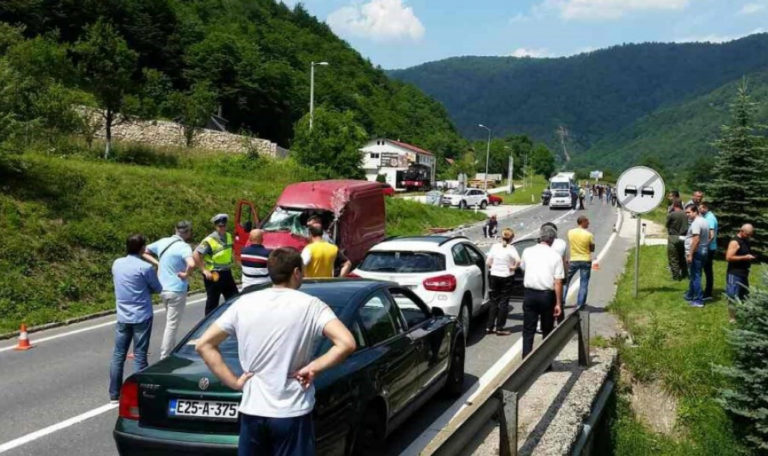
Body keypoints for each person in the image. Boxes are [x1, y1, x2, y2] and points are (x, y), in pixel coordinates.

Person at [196, 247, 356, 456]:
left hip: (252, 410)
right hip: (292, 409)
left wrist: (234, 382)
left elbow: (204, 345)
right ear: (297, 272)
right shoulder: (312, 306)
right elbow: (346, 343)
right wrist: (314, 367)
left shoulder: (243, 303)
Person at [109, 234, 162, 402]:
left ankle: (114, 393)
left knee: (118, 355)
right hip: (142, 315)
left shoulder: (117, 263)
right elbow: (157, 288)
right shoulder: (145, 268)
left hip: (123, 315)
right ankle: (140, 395)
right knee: (140, 355)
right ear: (141, 249)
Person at [143, 221, 195, 360]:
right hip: (177, 289)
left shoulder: (163, 242)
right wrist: (186, 274)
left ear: (175, 229)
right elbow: (191, 263)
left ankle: (170, 349)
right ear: (188, 232)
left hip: (162, 288)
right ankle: (165, 356)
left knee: (170, 321)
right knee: (172, 325)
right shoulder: (184, 247)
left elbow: (144, 251)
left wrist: (157, 263)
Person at [520, 226, 564, 358]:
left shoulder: (527, 251)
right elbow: (558, 282)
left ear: (540, 237)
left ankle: (526, 358)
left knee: (528, 329)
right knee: (547, 329)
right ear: (552, 240)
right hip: (547, 296)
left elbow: (523, 268)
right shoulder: (555, 256)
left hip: (529, 294)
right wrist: (558, 303)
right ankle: (545, 361)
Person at [194, 213, 239, 316]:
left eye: (224, 225)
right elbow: (196, 254)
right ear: (215, 226)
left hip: (227, 272)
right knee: (213, 302)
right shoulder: (209, 240)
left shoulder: (228, 236)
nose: (222, 228)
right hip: (214, 274)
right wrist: (204, 270)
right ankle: (208, 325)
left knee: (234, 299)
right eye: (220, 226)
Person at [486, 228, 520, 335]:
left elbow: (488, 262)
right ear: (511, 238)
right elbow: (518, 261)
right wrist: (513, 268)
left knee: (494, 301)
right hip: (506, 276)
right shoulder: (511, 248)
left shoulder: (495, 247)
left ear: (501, 237)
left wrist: (495, 267)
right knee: (504, 302)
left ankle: (489, 327)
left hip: (494, 275)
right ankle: (499, 327)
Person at [563, 216, 595, 309]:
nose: (588, 224)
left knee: (566, 281)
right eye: (587, 222)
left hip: (573, 259)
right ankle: (580, 304)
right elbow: (592, 249)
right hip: (585, 260)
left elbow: (570, 243)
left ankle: (561, 301)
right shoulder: (589, 235)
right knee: (584, 283)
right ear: (583, 222)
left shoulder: (570, 232)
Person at [683, 204, 710, 308]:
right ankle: (690, 295)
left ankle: (699, 300)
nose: (687, 215)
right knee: (695, 274)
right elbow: (709, 236)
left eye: (689, 212)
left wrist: (690, 254)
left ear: (695, 212)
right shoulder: (704, 221)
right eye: (686, 212)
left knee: (695, 276)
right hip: (703, 250)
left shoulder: (696, 223)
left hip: (696, 252)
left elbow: (696, 239)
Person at [725, 224, 756, 303]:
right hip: (734, 273)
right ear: (741, 231)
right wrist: (744, 257)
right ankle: (732, 316)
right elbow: (728, 257)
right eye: (747, 234)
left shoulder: (746, 240)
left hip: (744, 273)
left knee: (744, 297)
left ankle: (740, 315)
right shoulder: (735, 242)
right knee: (733, 298)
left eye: (750, 234)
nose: (749, 236)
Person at [699, 202, 718, 300]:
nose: (699, 210)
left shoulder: (709, 218)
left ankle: (708, 293)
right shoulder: (708, 216)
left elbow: (711, 235)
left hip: (709, 248)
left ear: (705, 208)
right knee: (707, 270)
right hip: (710, 247)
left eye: (701, 208)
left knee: (708, 271)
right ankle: (707, 292)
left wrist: (704, 245)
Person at [665, 201, 688, 281]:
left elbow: (666, 225)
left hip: (673, 237)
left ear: (674, 206)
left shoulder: (672, 214)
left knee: (673, 258)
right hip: (684, 237)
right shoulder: (686, 214)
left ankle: (676, 276)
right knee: (682, 257)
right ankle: (685, 274)